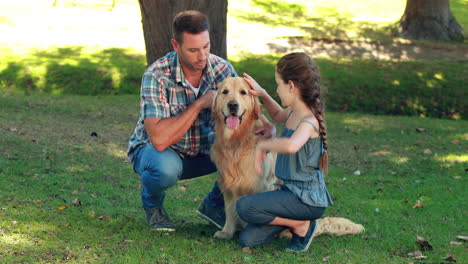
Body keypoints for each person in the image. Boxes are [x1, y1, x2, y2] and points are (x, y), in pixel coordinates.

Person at [127, 10, 274, 232]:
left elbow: (244, 106)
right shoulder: (156, 75)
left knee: (246, 145)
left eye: (206, 47)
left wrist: (266, 125)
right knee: (163, 169)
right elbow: (158, 140)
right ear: (176, 46)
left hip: (205, 148)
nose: (202, 56)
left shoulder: (222, 69)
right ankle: (153, 205)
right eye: (193, 50)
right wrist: (199, 104)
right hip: (163, 153)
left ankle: (214, 204)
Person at [237, 52, 333, 252]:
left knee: (244, 207)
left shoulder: (309, 120)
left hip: (305, 199)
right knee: (248, 238)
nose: (276, 89)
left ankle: (301, 224)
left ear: (291, 86)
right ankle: (293, 222)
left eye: (278, 84)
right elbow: (277, 115)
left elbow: (291, 146)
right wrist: (262, 93)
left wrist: (264, 145)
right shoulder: (293, 111)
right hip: (289, 194)